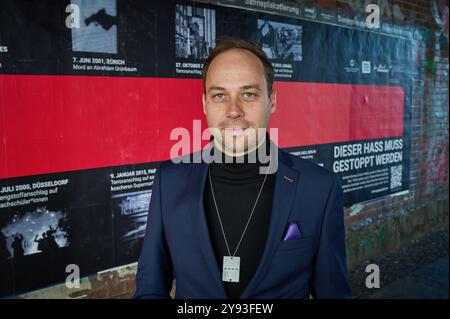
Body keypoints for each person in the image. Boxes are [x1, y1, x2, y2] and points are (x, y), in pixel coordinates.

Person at [134, 36, 351, 299]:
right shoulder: (169, 180)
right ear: (205, 104)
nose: (233, 110)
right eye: (219, 95)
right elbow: (150, 290)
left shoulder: (320, 188)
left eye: (248, 94)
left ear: (272, 101)